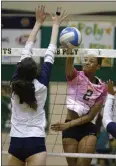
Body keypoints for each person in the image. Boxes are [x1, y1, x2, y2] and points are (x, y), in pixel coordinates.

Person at [8, 6, 67, 166]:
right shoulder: (41, 84)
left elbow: (27, 47)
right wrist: (55, 24)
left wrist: (38, 22)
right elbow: (51, 51)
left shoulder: (15, 83)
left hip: (15, 143)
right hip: (36, 143)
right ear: (36, 71)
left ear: (19, 70)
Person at [51, 50, 107, 166]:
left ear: (98, 66)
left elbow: (91, 116)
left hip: (87, 128)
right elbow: (69, 64)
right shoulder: (76, 76)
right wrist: (71, 50)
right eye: (85, 60)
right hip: (70, 128)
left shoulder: (103, 87)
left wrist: (67, 125)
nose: (87, 63)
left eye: (91, 61)